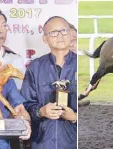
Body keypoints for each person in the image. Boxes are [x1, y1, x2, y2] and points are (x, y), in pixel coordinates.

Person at [22, 16, 77, 149]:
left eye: (64, 30)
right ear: (45, 39)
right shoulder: (35, 67)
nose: (60, 36)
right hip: (42, 142)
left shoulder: (80, 65)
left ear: (71, 34)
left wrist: (75, 117)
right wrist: (41, 112)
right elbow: (25, 105)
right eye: (53, 32)